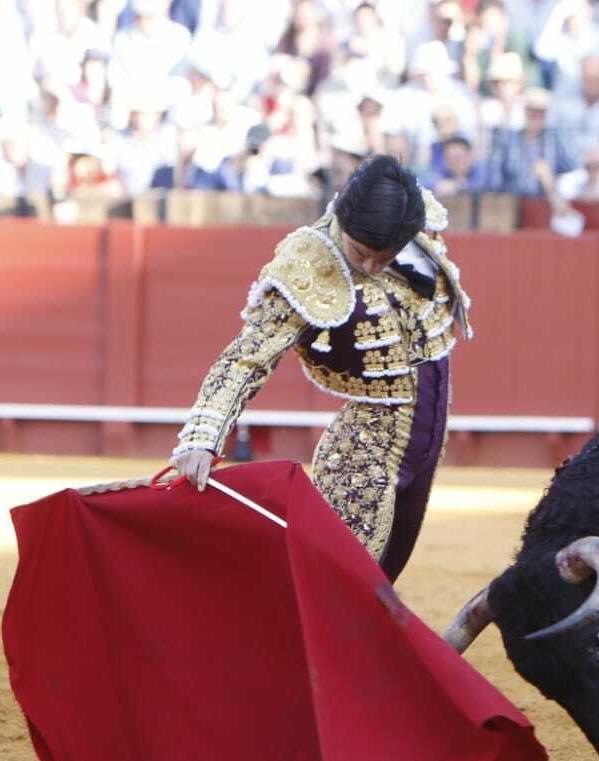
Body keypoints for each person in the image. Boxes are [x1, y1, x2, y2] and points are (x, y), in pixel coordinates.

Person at [168, 156, 473, 580]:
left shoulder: (410, 220)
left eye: (384, 258)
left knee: (383, 578)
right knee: (340, 579)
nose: (369, 268)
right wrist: (202, 437)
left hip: (428, 435)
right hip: (367, 448)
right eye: (360, 253)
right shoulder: (308, 264)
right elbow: (246, 358)